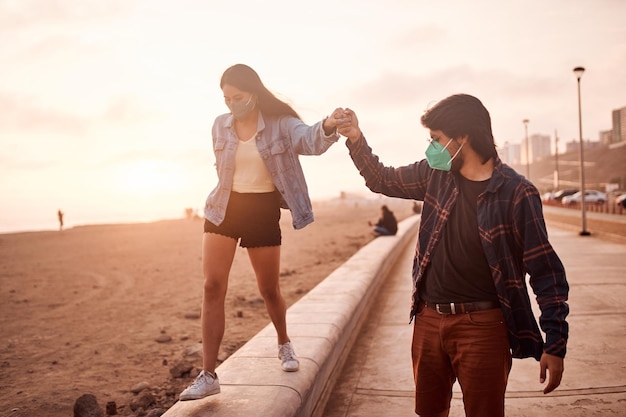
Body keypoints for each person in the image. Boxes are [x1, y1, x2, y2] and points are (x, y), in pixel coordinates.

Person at [337, 95, 569, 417]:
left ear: (462, 138)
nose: (431, 149)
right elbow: (382, 179)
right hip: (429, 319)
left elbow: (546, 272)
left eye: (436, 140)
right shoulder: (436, 175)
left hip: (484, 327)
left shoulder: (517, 193)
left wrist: (555, 342)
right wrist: (356, 139)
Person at [179, 64, 346, 401]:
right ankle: (208, 374)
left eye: (236, 97)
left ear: (253, 93)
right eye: (225, 98)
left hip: (261, 210)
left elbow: (308, 140)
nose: (230, 104)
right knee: (212, 286)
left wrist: (328, 125)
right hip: (223, 208)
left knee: (268, 289)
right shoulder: (219, 125)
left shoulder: (281, 125)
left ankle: (284, 343)